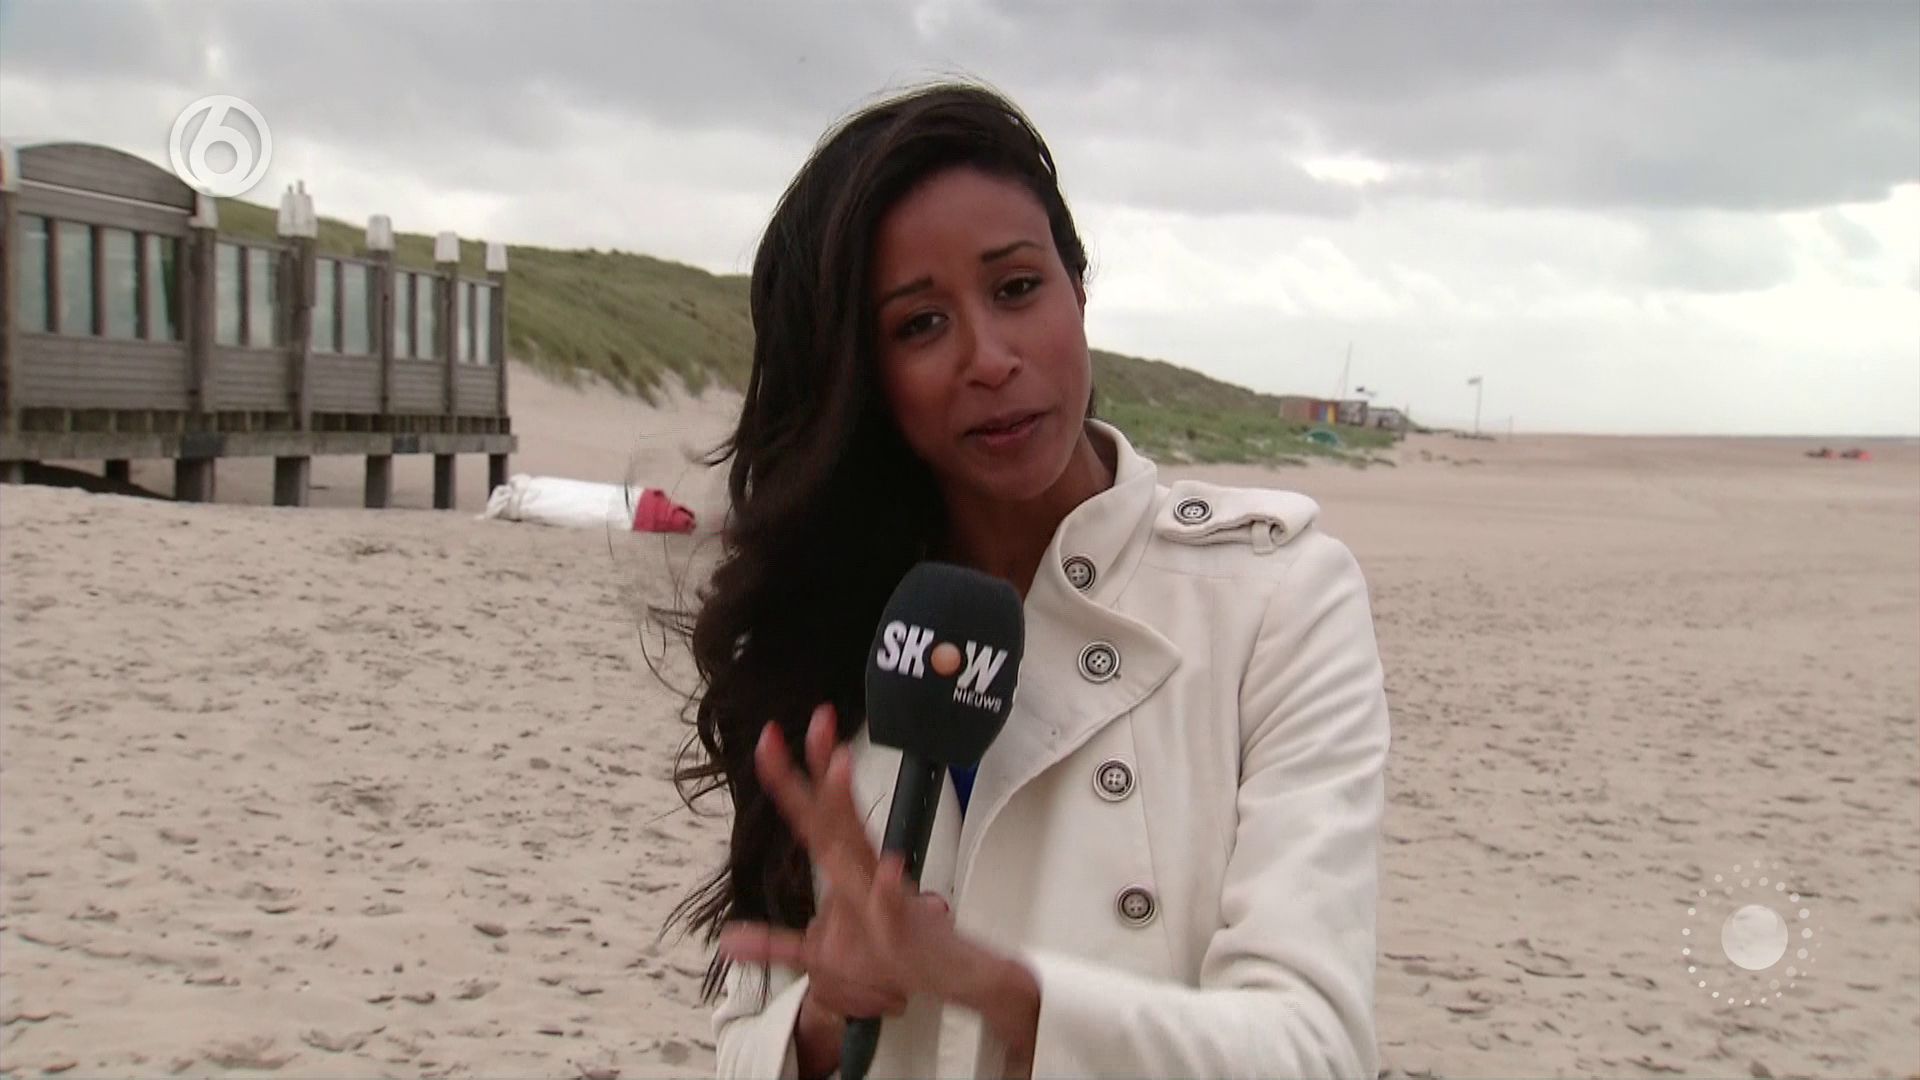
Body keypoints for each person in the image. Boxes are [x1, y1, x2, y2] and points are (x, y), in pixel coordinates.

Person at [669, 80, 1391, 1079]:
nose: (991, 358)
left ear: (1077, 291)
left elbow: (1314, 1045)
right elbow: (747, 1033)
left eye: (1016, 288)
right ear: (865, 376)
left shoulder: (1275, 597)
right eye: (920, 324)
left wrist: (992, 989)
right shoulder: (827, 623)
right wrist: (827, 1016)